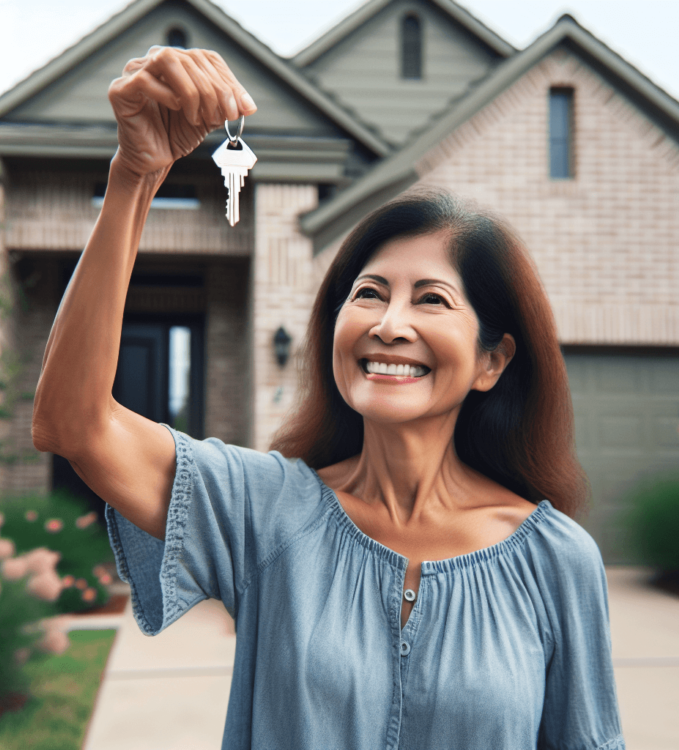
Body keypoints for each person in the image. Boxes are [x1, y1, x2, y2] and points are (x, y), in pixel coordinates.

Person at [32, 46, 625, 750]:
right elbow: (73, 423)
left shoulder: (557, 560)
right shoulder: (267, 510)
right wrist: (135, 176)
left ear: (491, 361)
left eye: (430, 299)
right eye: (368, 293)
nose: (388, 324)